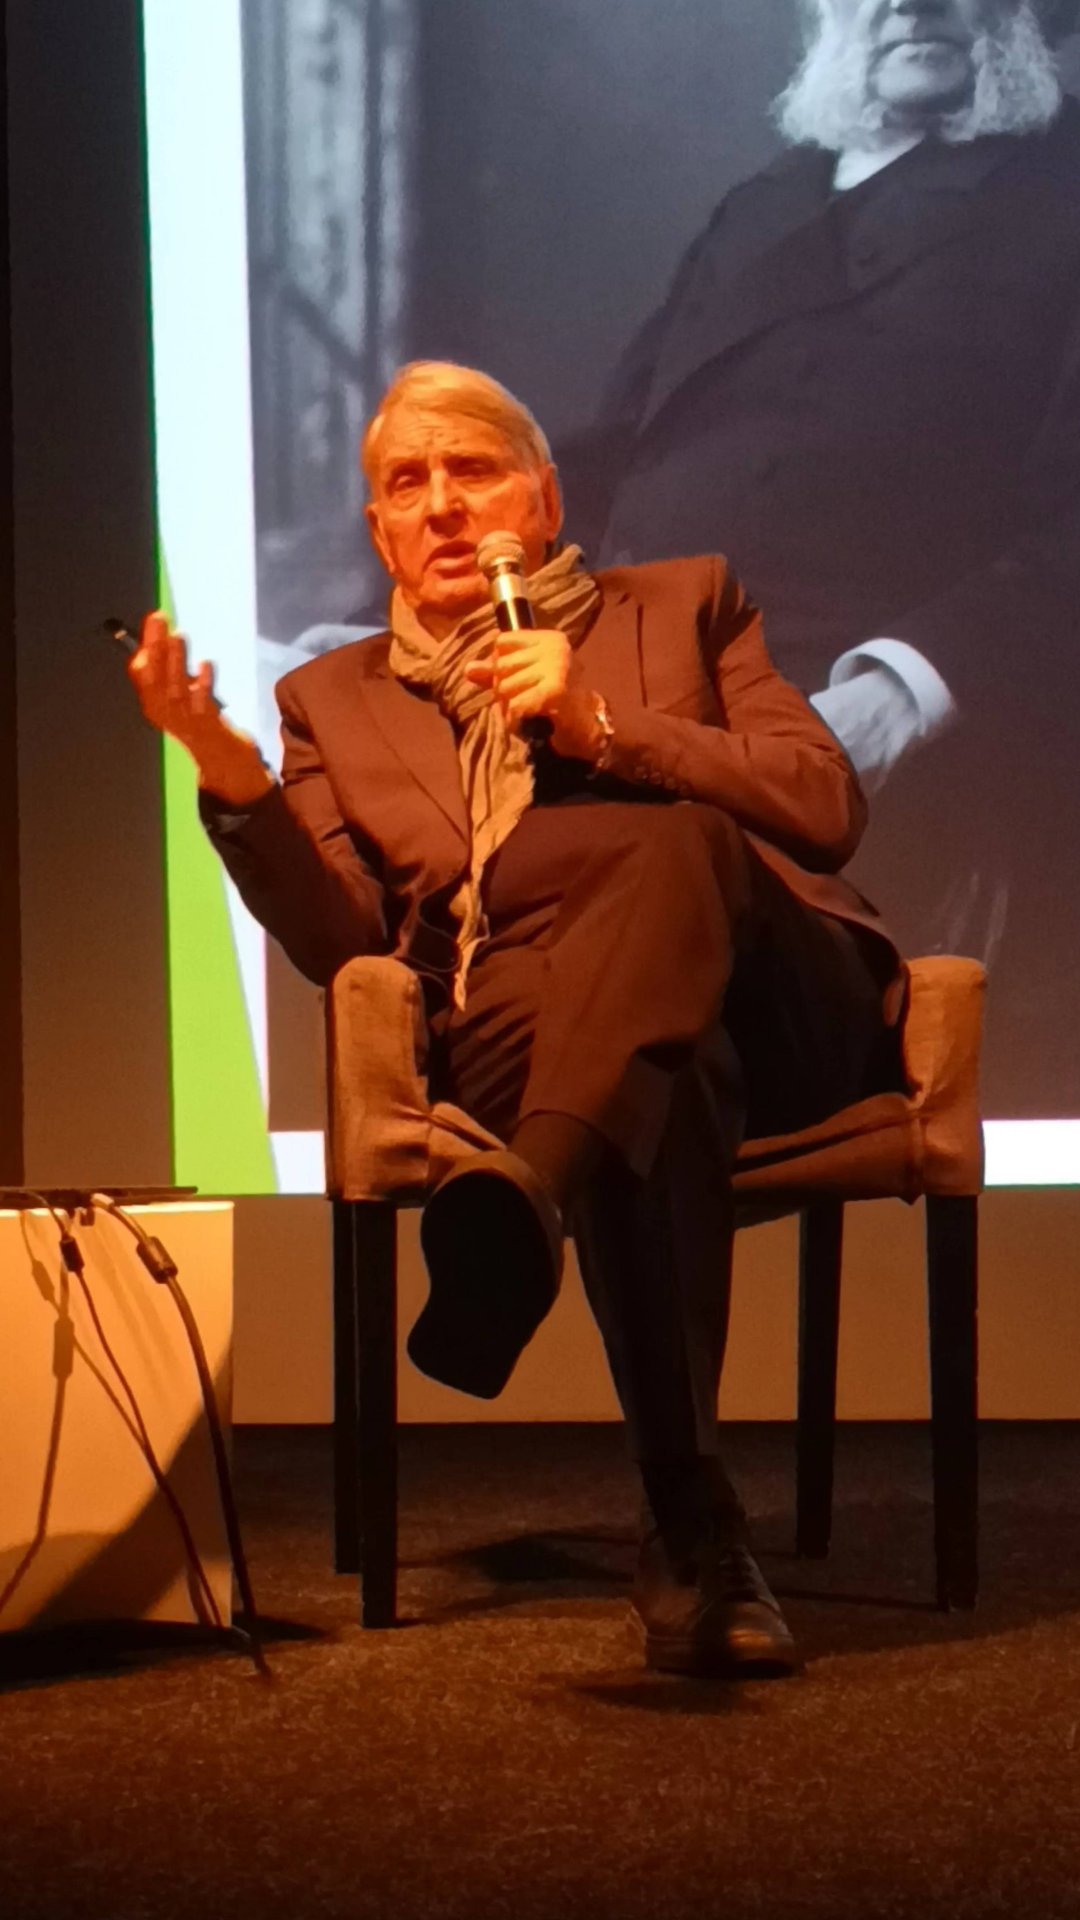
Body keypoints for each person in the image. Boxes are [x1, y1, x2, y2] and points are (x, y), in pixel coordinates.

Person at [128, 360, 902, 1680]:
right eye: (405, 484)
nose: (440, 504)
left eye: (471, 471)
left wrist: (602, 721)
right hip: (534, 1031)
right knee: (658, 1077)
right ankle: (692, 1529)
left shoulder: (685, 604)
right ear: (380, 531)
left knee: (677, 845)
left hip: (776, 1002)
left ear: (542, 502)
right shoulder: (331, 702)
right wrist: (235, 780)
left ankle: (529, 1190)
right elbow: (347, 947)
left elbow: (822, 804)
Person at [563, 0, 1080, 1115]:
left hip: (865, 739)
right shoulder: (765, 202)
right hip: (627, 687)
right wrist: (434, 588)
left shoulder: (1063, 192)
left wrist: (900, 694)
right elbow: (616, 449)